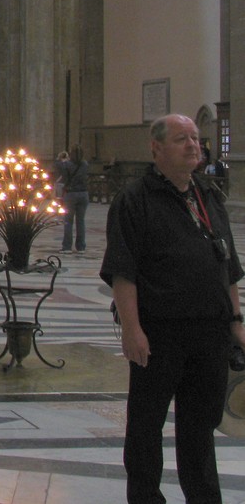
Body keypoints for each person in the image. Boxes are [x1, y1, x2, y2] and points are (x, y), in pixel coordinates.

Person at [101, 113, 245, 504]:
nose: (193, 145)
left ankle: (204, 498)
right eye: (182, 139)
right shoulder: (135, 199)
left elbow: (228, 265)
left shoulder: (208, 196)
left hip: (209, 334)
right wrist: (132, 329)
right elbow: (123, 271)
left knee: (200, 428)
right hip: (159, 333)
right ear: (157, 148)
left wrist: (236, 321)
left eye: (196, 138)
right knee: (146, 427)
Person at [57, 144, 90, 254]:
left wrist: (60, 159)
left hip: (71, 194)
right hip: (83, 193)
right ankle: (81, 247)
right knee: (81, 221)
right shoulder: (85, 164)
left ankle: (67, 247)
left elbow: (63, 176)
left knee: (68, 221)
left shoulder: (67, 164)